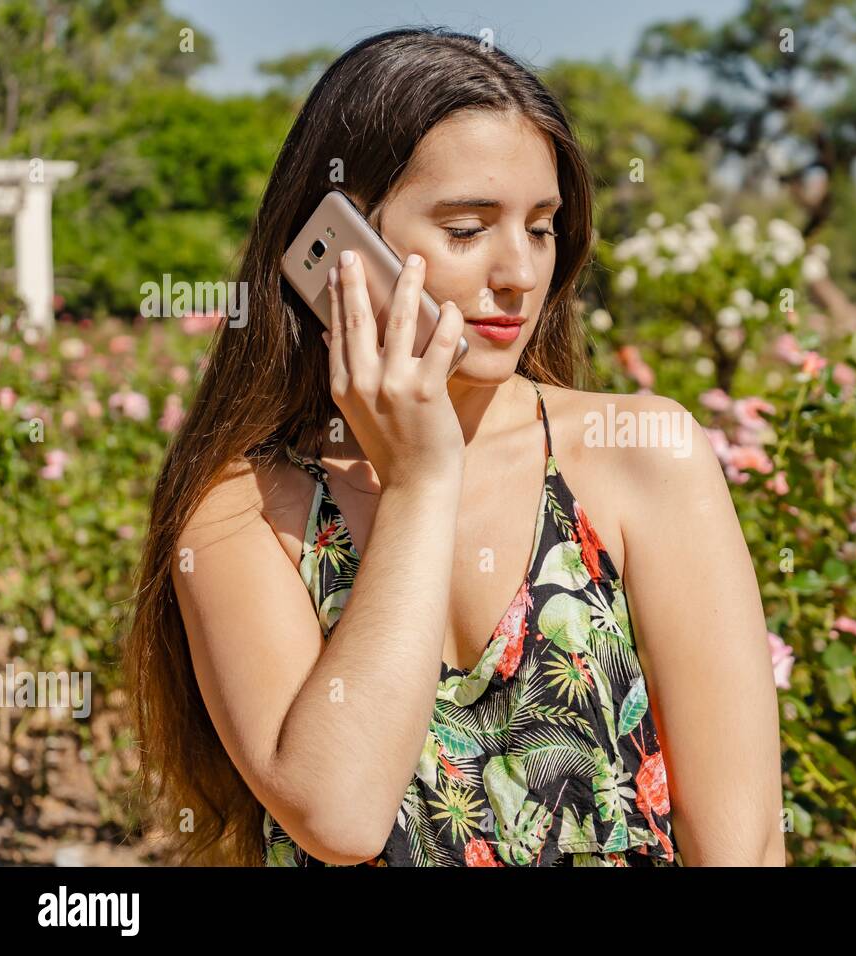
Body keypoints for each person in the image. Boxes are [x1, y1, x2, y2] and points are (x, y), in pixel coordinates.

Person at [124, 26, 783, 867]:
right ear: (341, 244)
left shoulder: (642, 452)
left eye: (541, 227)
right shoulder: (244, 508)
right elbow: (341, 814)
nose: (519, 272)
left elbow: (746, 845)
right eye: (468, 228)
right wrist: (420, 482)